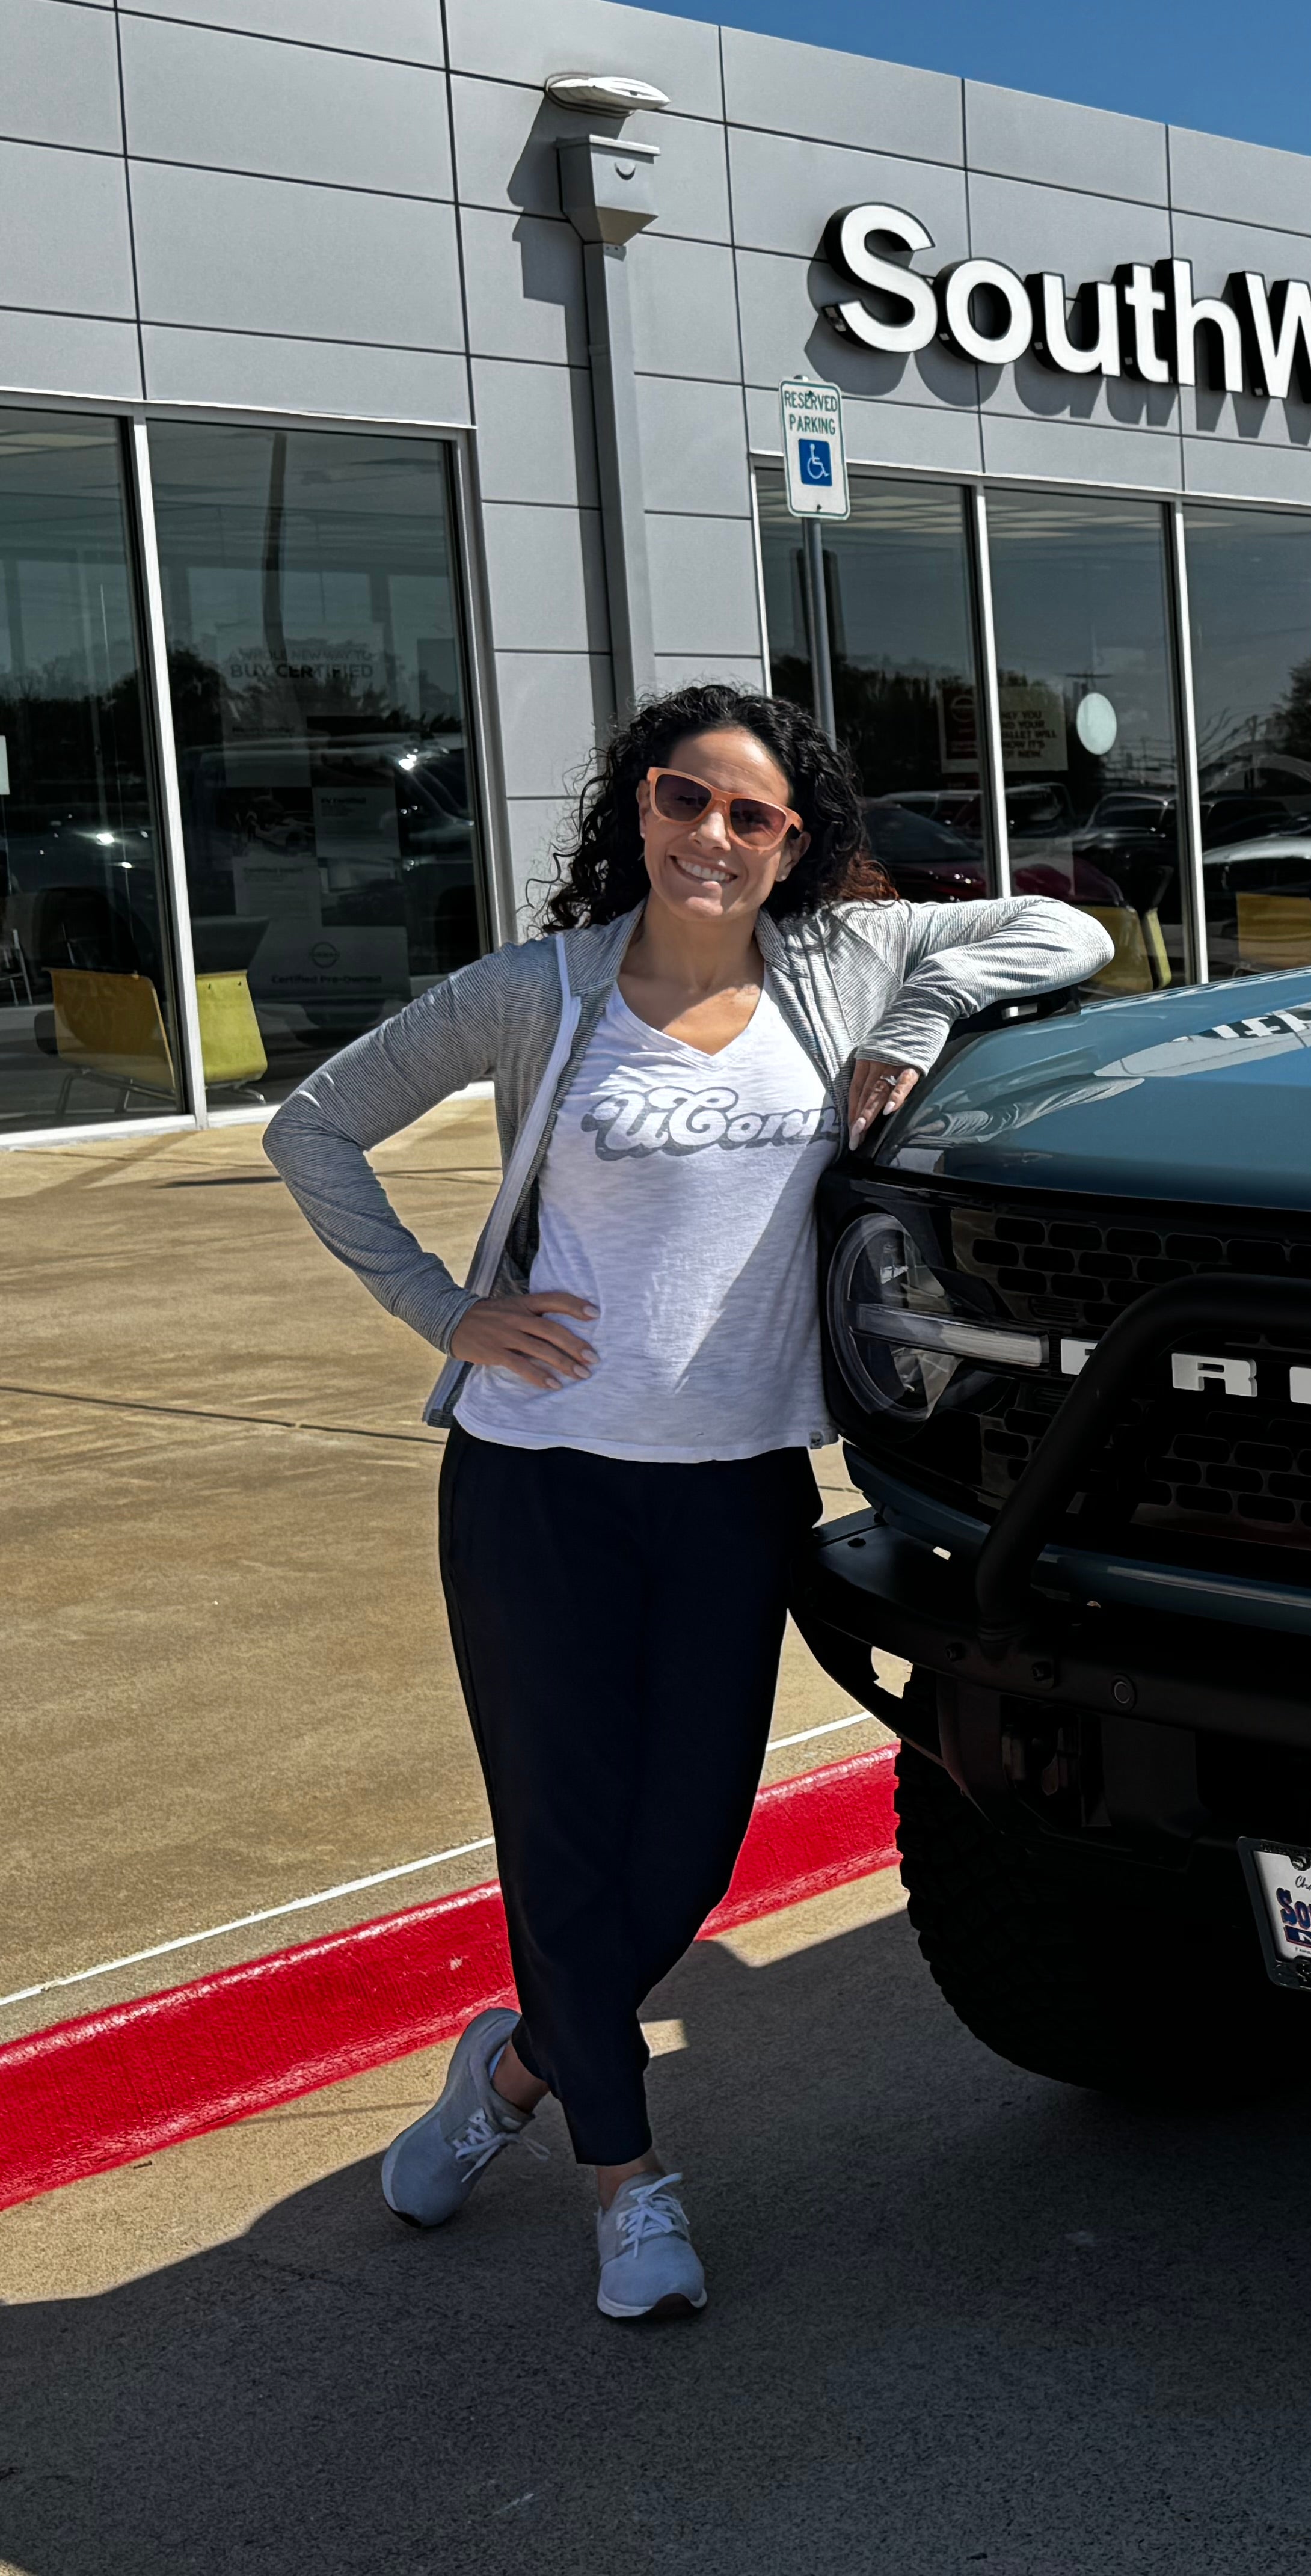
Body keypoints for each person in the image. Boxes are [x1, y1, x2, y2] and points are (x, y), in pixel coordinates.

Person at [268, 683, 1111, 2320]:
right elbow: (317, 1128)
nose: (711, 835)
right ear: (635, 808)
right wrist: (447, 1311)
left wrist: (914, 1028)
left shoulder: (838, 966)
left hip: (733, 1487)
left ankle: (511, 2071)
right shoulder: (544, 992)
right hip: (535, 1484)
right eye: (684, 798)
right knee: (570, 1844)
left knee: (686, 1852)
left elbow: (1057, 940)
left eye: (754, 814)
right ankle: (626, 2181)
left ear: (798, 843)